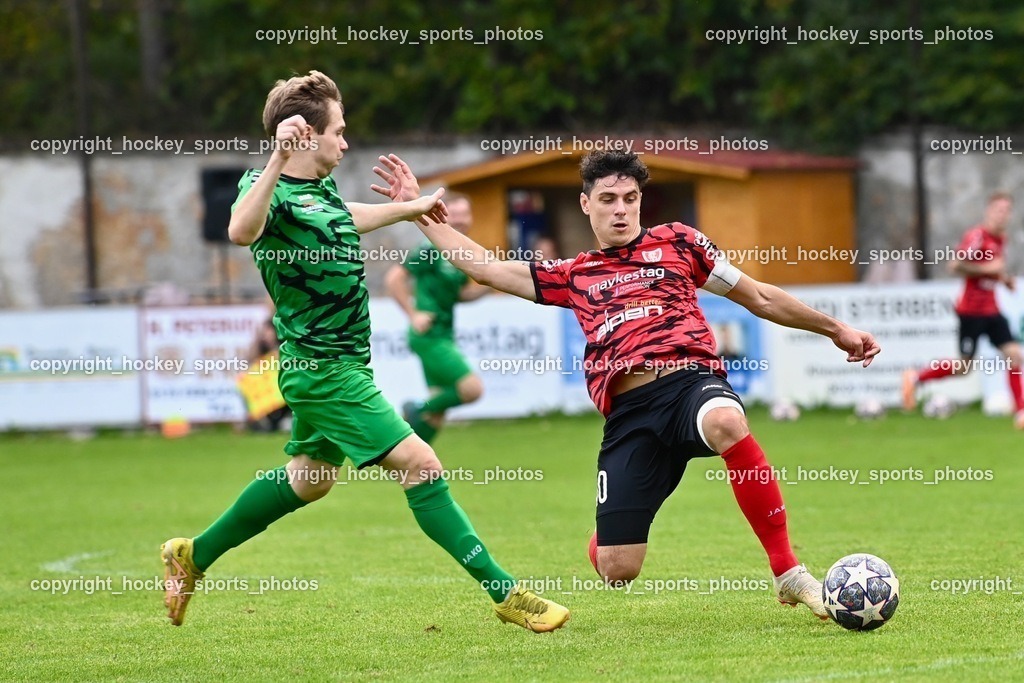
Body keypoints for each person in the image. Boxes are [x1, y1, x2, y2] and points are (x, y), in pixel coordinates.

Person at [379, 149, 880, 619]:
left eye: (630, 199)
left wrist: (837, 329)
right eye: (608, 200)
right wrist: (416, 211)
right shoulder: (574, 274)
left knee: (727, 420)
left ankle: (788, 571)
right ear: (586, 204)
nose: (621, 210)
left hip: (691, 384)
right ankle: (608, 535)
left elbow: (760, 297)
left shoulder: (681, 243)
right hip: (630, 416)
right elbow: (483, 268)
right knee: (617, 569)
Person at [160, 71, 569, 633]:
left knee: (310, 478)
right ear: (307, 136)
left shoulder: (320, 192)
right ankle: (507, 593)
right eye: (339, 131)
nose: (346, 143)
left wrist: (410, 208)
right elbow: (239, 230)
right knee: (421, 466)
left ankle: (193, 555)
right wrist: (278, 159)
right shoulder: (268, 186)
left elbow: (347, 218)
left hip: (345, 364)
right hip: (322, 370)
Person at [902, 192, 1023, 428]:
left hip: (992, 310)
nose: (1002, 215)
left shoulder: (1001, 239)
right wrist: (989, 269)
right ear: (989, 211)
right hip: (971, 312)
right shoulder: (977, 236)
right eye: (998, 209)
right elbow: (956, 265)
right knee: (963, 367)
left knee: (1014, 355)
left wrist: (1003, 278)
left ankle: (1021, 412)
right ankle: (915, 378)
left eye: (1006, 210)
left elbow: (992, 270)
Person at [384, 194, 490, 444]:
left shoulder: (460, 253)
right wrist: (413, 314)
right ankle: (414, 408)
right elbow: (394, 279)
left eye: (466, 214)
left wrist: (494, 284)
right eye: (456, 214)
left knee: (436, 415)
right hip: (428, 335)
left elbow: (461, 295)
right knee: (472, 389)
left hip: (444, 333)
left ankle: (409, 461)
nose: (461, 220)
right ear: (443, 216)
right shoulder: (430, 248)